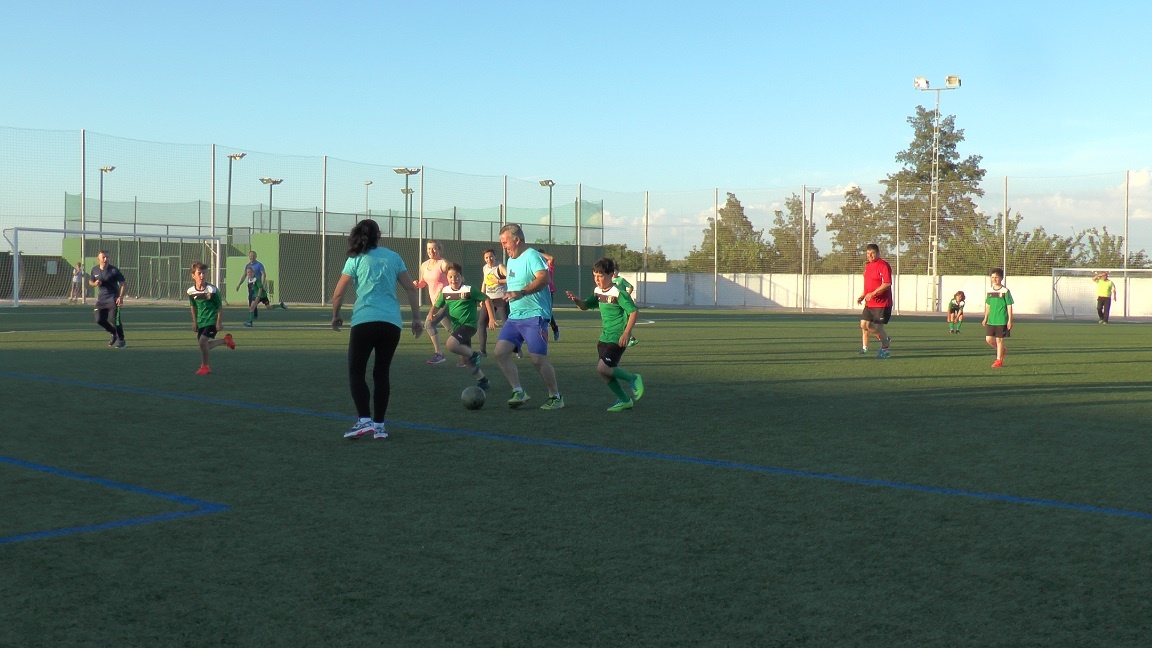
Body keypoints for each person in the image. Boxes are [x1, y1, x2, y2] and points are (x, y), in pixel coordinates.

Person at [332, 219, 423, 440]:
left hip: (364, 321)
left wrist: (336, 315)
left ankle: (364, 420)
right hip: (391, 324)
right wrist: (416, 319)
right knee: (381, 373)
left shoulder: (355, 259)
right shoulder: (393, 257)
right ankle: (380, 426)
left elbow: (338, 292)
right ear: (378, 235)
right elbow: (411, 288)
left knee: (356, 371)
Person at [493, 223, 564, 410]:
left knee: (537, 359)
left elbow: (544, 278)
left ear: (517, 240)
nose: (503, 246)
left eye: (505, 242)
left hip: (535, 315)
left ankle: (555, 396)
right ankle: (518, 391)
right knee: (500, 352)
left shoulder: (532, 255)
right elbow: (514, 283)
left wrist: (522, 292)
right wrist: (509, 294)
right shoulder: (511, 260)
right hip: (516, 316)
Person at [565, 258, 645, 412]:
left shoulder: (618, 293)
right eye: (595, 276)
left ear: (611, 274)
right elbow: (585, 306)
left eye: (600, 276)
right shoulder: (597, 292)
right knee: (607, 373)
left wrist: (627, 333)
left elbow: (634, 311)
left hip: (617, 337)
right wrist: (576, 300)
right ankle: (624, 400)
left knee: (602, 368)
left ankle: (633, 378)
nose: (597, 279)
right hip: (604, 338)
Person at [429, 263, 496, 392]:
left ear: (462, 277)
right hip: (457, 327)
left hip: (469, 325)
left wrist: (492, 318)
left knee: (451, 345)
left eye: (456, 276)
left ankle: (475, 354)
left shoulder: (469, 290)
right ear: (447, 278)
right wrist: (432, 312)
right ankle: (483, 381)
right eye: (450, 277)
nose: (453, 279)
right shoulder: (445, 291)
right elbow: (437, 304)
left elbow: (487, 299)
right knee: (466, 360)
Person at [187, 261, 235, 375]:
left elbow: (219, 306)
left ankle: (205, 366)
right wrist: (194, 322)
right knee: (203, 345)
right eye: (199, 273)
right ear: (193, 276)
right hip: (201, 321)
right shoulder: (190, 291)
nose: (202, 276)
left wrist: (219, 322)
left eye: (204, 273)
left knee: (203, 342)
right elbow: (193, 306)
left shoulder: (212, 290)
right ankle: (225, 340)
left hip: (211, 320)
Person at [414, 239, 449, 364]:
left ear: (439, 249)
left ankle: (439, 354)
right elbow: (423, 282)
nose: (431, 251)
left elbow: (457, 277)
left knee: (429, 324)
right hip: (435, 302)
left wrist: (446, 290)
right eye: (429, 249)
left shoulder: (443, 264)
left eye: (434, 248)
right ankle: (468, 354)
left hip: (446, 301)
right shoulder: (424, 265)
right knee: (452, 329)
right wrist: (418, 284)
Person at [856, 243, 892, 358]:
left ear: (878, 253)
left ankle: (885, 351)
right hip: (870, 303)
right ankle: (884, 338)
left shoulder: (883, 265)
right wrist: (863, 295)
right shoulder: (867, 266)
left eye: (872, 253)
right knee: (864, 325)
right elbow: (868, 285)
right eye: (868, 253)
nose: (870, 255)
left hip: (882, 303)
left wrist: (873, 293)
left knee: (878, 327)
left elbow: (887, 283)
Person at [88, 250, 127, 348]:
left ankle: (121, 340)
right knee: (99, 320)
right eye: (103, 257)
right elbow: (90, 281)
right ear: (98, 259)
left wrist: (120, 297)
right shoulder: (95, 270)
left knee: (114, 320)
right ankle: (113, 333)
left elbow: (123, 284)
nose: (106, 259)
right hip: (101, 300)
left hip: (113, 299)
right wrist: (95, 283)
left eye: (107, 257)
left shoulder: (114, 270)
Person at [476, 248, 508, 357]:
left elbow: (511, 279)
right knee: (481, 323)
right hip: (488, 300)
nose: (489, 259)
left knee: (507, 324)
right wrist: (481, 296)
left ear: (495, 257)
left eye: (491, 257)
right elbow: (484, 283)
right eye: (486, 257)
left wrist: (498, 281)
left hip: (501, 299)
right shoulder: (485, 268)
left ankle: (516, 349)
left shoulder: (500, 267)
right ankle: (482, 351)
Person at [983, 268, 1013, 368]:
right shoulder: (989, 291)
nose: (994, 279)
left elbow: (1009, 306)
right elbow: (988, 305)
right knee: (989, 339)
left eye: (996, 277)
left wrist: (1010, 320)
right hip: (991, 320)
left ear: (1001, 278)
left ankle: (999, 360)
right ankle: (1002, 350)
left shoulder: (1005, 291)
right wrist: (985, 318)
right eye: (992, 277)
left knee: (999, 340)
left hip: (1001, 319)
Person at [612, 266, 639, 347]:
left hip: (623, 302)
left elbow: (630, 287)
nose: (614, 273)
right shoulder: (609, 281)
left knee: (624, 321)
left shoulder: (621, 280)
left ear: (618, 272)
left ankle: (631, 338)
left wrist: (627, 295)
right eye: (612, 271)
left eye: (615, 271)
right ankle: (629, 338)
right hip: (615, 303)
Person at [539, 250, 561, 341]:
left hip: (548, 291)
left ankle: (554, 328)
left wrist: (539, 254)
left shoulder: (548, 265)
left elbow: (551, 258)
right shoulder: (535, 267)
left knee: (547, 311)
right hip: (537, 291)